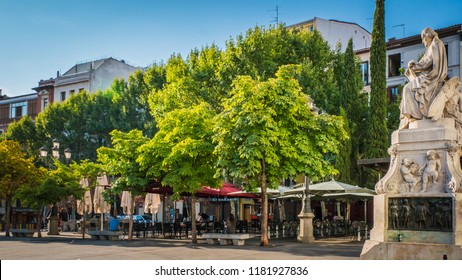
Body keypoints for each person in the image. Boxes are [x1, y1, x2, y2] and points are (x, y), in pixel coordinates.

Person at [399, 27, 448, 130]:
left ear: (427, 36)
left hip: (433, 77)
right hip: (430, 76)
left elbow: (433, 65)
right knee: (408, 88)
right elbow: (425, 62)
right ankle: (411, 117)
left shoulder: (436, 44)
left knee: (407, 88)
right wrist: (414, 66)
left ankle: (413, 116)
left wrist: (417, 70)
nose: (422, 41)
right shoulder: (431, 47)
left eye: (423, 38)